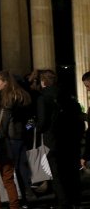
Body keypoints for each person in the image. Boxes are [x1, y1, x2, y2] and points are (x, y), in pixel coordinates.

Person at [36, 69, 83, 209]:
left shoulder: (43, 97)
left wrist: (34, 127)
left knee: (57, 173)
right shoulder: (68, 96)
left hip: (53, 139)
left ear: (43, 82)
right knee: (71, 171)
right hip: (71, 139)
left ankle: (63, 202)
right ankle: (75, 199)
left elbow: (43, 121)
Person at [0, 71, 33, 206]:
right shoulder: (23, 94)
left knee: (10, 169)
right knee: (22, 167)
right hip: (23, 135)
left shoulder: (8, 97)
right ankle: (27, 196)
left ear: (5, 82)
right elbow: (32, 117)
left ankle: (19, 199)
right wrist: (27, 129)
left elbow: (5, 120)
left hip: (12, 136)